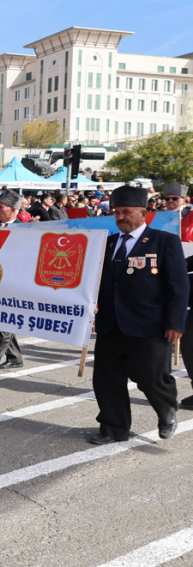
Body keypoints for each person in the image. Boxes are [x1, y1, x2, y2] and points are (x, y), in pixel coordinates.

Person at [88, 185, 188, 444]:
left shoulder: (164, 241)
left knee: (151, 377)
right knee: (107, 379)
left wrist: (175, 322)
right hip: (111, 324)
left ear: (143, 214)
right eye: (117, 212)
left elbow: (178, 286)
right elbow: (95, 281)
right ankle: (113, 428)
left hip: (150, 325)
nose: (120, 217)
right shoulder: (107, 243)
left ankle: (167, 410)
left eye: (127, 212)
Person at [0, 190, 25, 369]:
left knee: (5, 321)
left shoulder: (24, 230)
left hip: (14, 284)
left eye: (0, 207)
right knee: (3, 320)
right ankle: (15, 357)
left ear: (13, 210)